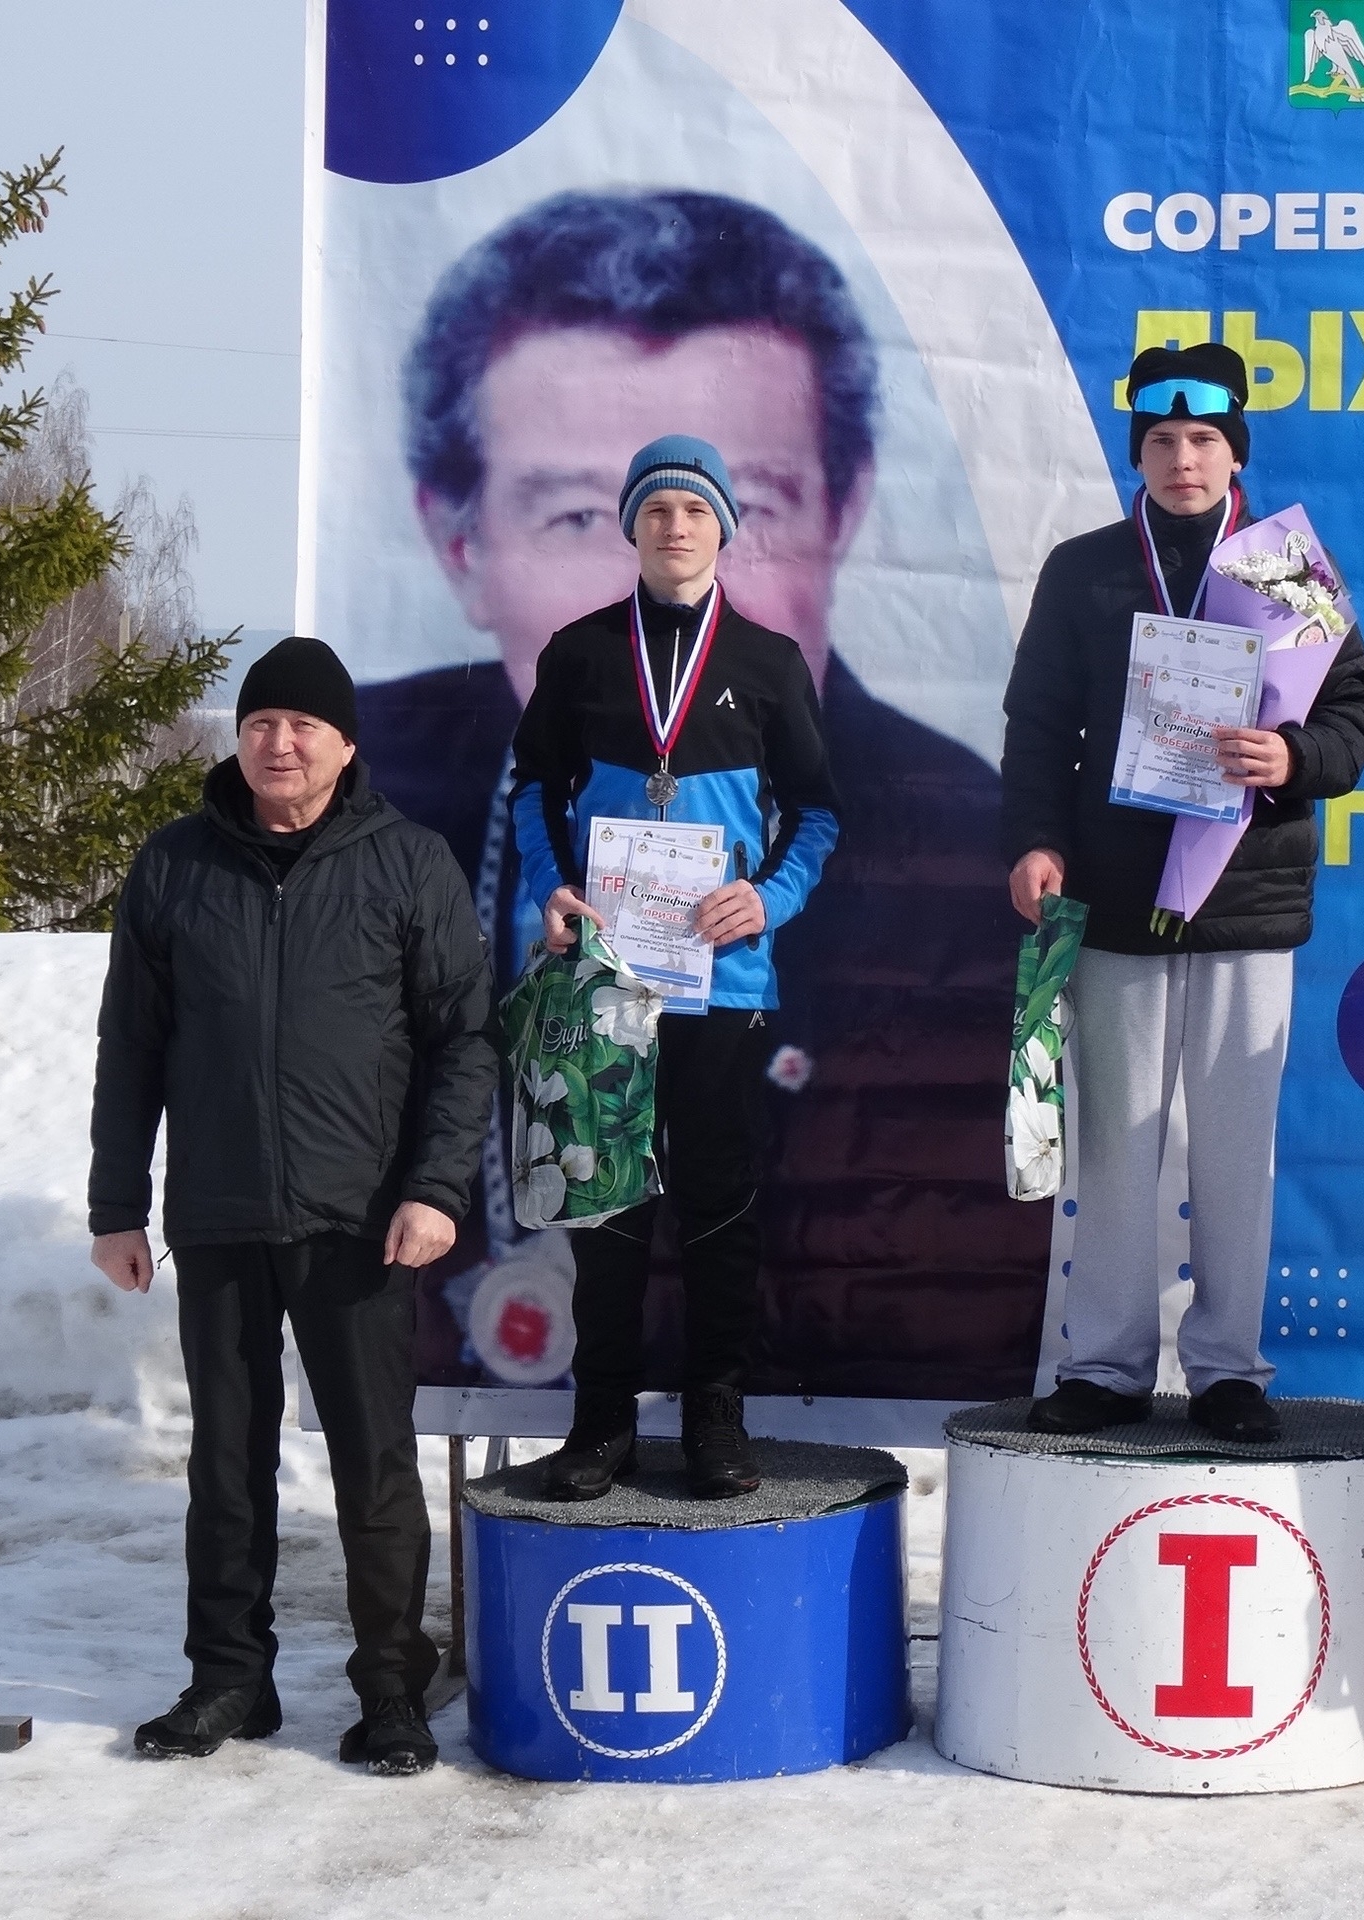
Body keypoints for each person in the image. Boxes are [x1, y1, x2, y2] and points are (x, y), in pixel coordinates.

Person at [377, 188, 1047, 1403]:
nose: (660, 550)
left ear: (841, 514)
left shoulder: (969, 863)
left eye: (749, 507)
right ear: (460, 545)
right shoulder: (368, 799)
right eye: (574, 514)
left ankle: (710, 1424)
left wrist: (773, 897)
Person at [88, 637, 495, 1776]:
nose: (279, 743)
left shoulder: (406, 863)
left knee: (373, 1463)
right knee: (225, 1462)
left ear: (345, 745)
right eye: (261, 722)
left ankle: (392, 1692)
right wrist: (117, 1203)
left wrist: (434, 1189)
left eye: (304, 725)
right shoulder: (174, 865)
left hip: (358, 1218)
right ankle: (230, 1679)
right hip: (218, 1212)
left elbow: (464, 1042)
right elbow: (131, 1046)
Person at [999, 342, 1364, 1442]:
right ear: (1139, 453)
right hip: (1116, 895)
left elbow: (1357, 715)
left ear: (1235, 452)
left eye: (1204, 439)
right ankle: (1105, 1366)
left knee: (1234, 1151)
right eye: (1162, 440)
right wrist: (1034, 842)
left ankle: (1227, 1370)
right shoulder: (1083, 569)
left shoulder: (1287, 570)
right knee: (1116, 1141)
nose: (1183, 459)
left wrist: (1293, 758)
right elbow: (1037, 726)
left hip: (1246, 900)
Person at [515, 437, 840, 1501]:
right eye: (656, 509)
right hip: (608, 974)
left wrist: (770, 899)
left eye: (695, 510)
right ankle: (601, 1420)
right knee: (603, 1197)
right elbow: (531, 790)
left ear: (724, 529)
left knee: (717, 1200)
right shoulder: (577, 654)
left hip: (722, 978)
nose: (675, 527)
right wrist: (553, 890)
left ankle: (715, 1416)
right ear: (632, 528)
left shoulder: (768, 663)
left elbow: (819, 814)